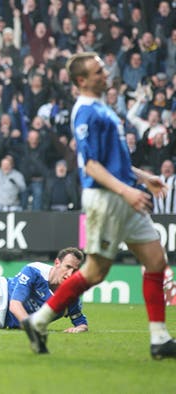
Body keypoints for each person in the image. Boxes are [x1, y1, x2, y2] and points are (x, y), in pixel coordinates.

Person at [21, 52, 176, 359]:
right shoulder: (85, 112)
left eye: (104, 70)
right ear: (82, 80)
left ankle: (159, 339)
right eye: (98, 72)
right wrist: (126, 192)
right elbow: (90, 165)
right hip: (106, 199)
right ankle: (38, 322)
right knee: (94, 272)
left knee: (156, 261)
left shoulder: (104, 109)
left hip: (124, 195)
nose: (105, 75)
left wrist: (144, 178)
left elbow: (113, 161)